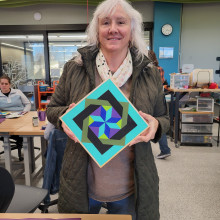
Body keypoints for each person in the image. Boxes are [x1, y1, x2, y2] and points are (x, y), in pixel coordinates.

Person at [47, 0, 169, 219]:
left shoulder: (149, 73)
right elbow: (53, 108)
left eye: (120, 22)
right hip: (81, 185)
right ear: (97, 30)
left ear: (131, 31)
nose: (113, 28)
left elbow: (163, 116)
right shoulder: (75, 68)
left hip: (131, 186)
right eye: (105, 23)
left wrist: (157, 124)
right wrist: (64, 117)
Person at [0, 75, 31, 161]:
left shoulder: (17, 92)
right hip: (6, 119)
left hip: (20, 117)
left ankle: (22, 143)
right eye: (2, 83)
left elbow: (27, 104)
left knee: (21, 132)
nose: (4, 85)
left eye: (6, 83)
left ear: (10, 84)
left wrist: (24, 112)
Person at [148, 50, 171, 159]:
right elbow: (163, 82)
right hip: (159, 98)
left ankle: (164, 150)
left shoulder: (148, 70)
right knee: (158, 123)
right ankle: (165, 149)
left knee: (150, 124)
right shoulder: (160, 69)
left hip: (150, 99)